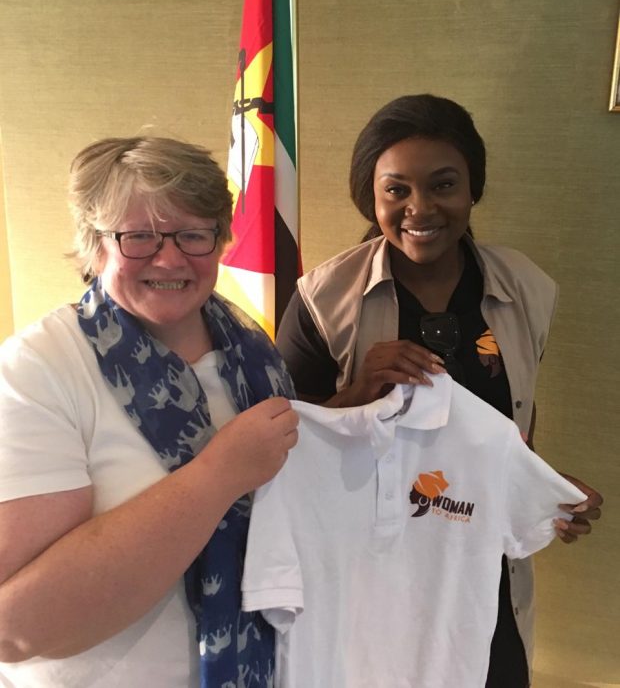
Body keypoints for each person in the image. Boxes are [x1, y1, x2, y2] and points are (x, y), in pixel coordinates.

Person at [276, 94, 603, 688]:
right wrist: (354, 394)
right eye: (396, 190)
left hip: (473, 566)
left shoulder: (527, 290)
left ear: (472, 189)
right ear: (370, 196)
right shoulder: (324, 301)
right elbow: (276, 443)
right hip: (366, 572)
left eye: (443, 185)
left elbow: (497, 428)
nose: (419, 208)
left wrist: (546, 492)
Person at [0, 135, 299, 687]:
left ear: (221, 239)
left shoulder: (255, 354)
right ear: (95, 246)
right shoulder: (37, 369)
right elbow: (16, 627)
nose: (169, 257)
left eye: (192, 234)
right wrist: (218, 475)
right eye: (138, 236)